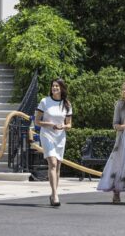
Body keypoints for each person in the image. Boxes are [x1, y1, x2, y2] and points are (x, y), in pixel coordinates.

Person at [35, 79, 72, 207]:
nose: (54, 88)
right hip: (47, 134)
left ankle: (53, 194)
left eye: (57, 86)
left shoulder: (66, 104)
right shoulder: (44, 102)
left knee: (58, 167)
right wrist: (50, 124)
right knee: (53, 163)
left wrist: (63, 126)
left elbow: (69, 124)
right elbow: (37, 122)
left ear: (62, 88)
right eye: (53, 86)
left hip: (60, 137)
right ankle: (55, 194)